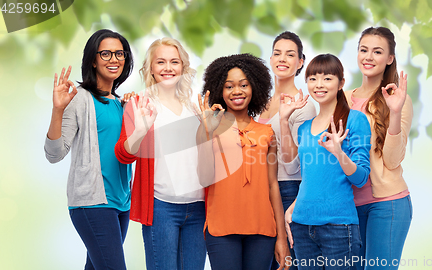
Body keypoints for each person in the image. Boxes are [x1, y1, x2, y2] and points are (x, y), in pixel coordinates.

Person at [44, 29, 134, 270]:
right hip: (92, 203)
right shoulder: (79, 99)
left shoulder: (122, 104)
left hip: (122, 203)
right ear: (93, 60)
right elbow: (54, 154)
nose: (113, 59)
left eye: (119, 53)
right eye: (105, 53)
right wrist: (57, 110)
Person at [114, 37, 207, 270]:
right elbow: (124, 155)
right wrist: (141, 130)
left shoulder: (195, 107)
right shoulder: (139, 103)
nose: (168, 68)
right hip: (161, 208)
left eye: (174, 62)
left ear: (183, 67)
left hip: (198, 208)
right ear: (151, 69)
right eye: (161, 62)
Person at [197, 53, 290, 270]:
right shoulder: (210, 128)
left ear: (254, 88)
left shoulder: (267, 132)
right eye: (229, 86)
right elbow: (204, 177)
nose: (237, 91)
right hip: (222, 228)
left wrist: (282, 238)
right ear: (220, 90)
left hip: (262, 229)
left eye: (244, 85)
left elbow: (272, 185)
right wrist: (205, 133)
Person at [282, 54, 371, 270]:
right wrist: (284, 120)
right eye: (312, 78)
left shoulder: (355, 120)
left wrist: (339, 152)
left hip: (338, 226)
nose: (319, 85)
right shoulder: (304, 127)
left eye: (327, 78)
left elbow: (360, 178)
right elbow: (294, 168)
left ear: (341, 83)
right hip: (302, 225)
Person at [346, 26, 413, 270]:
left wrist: (394, 113)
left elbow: (393, 160)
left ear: (390, 59)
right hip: (348, 205)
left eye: (377, 51)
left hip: (387, 204)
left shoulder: (397, 99)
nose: (368, 57)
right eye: (364, 50)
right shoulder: (342, 99)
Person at [258, 31, 316, 270]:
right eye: (277, 53)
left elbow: (297, 164)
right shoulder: (260, 102)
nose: (282, 59)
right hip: (261, 189)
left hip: (288, 189)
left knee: (287, 262)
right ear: (270, 59)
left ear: (300, 62)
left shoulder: (303, 105)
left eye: (290, 54)